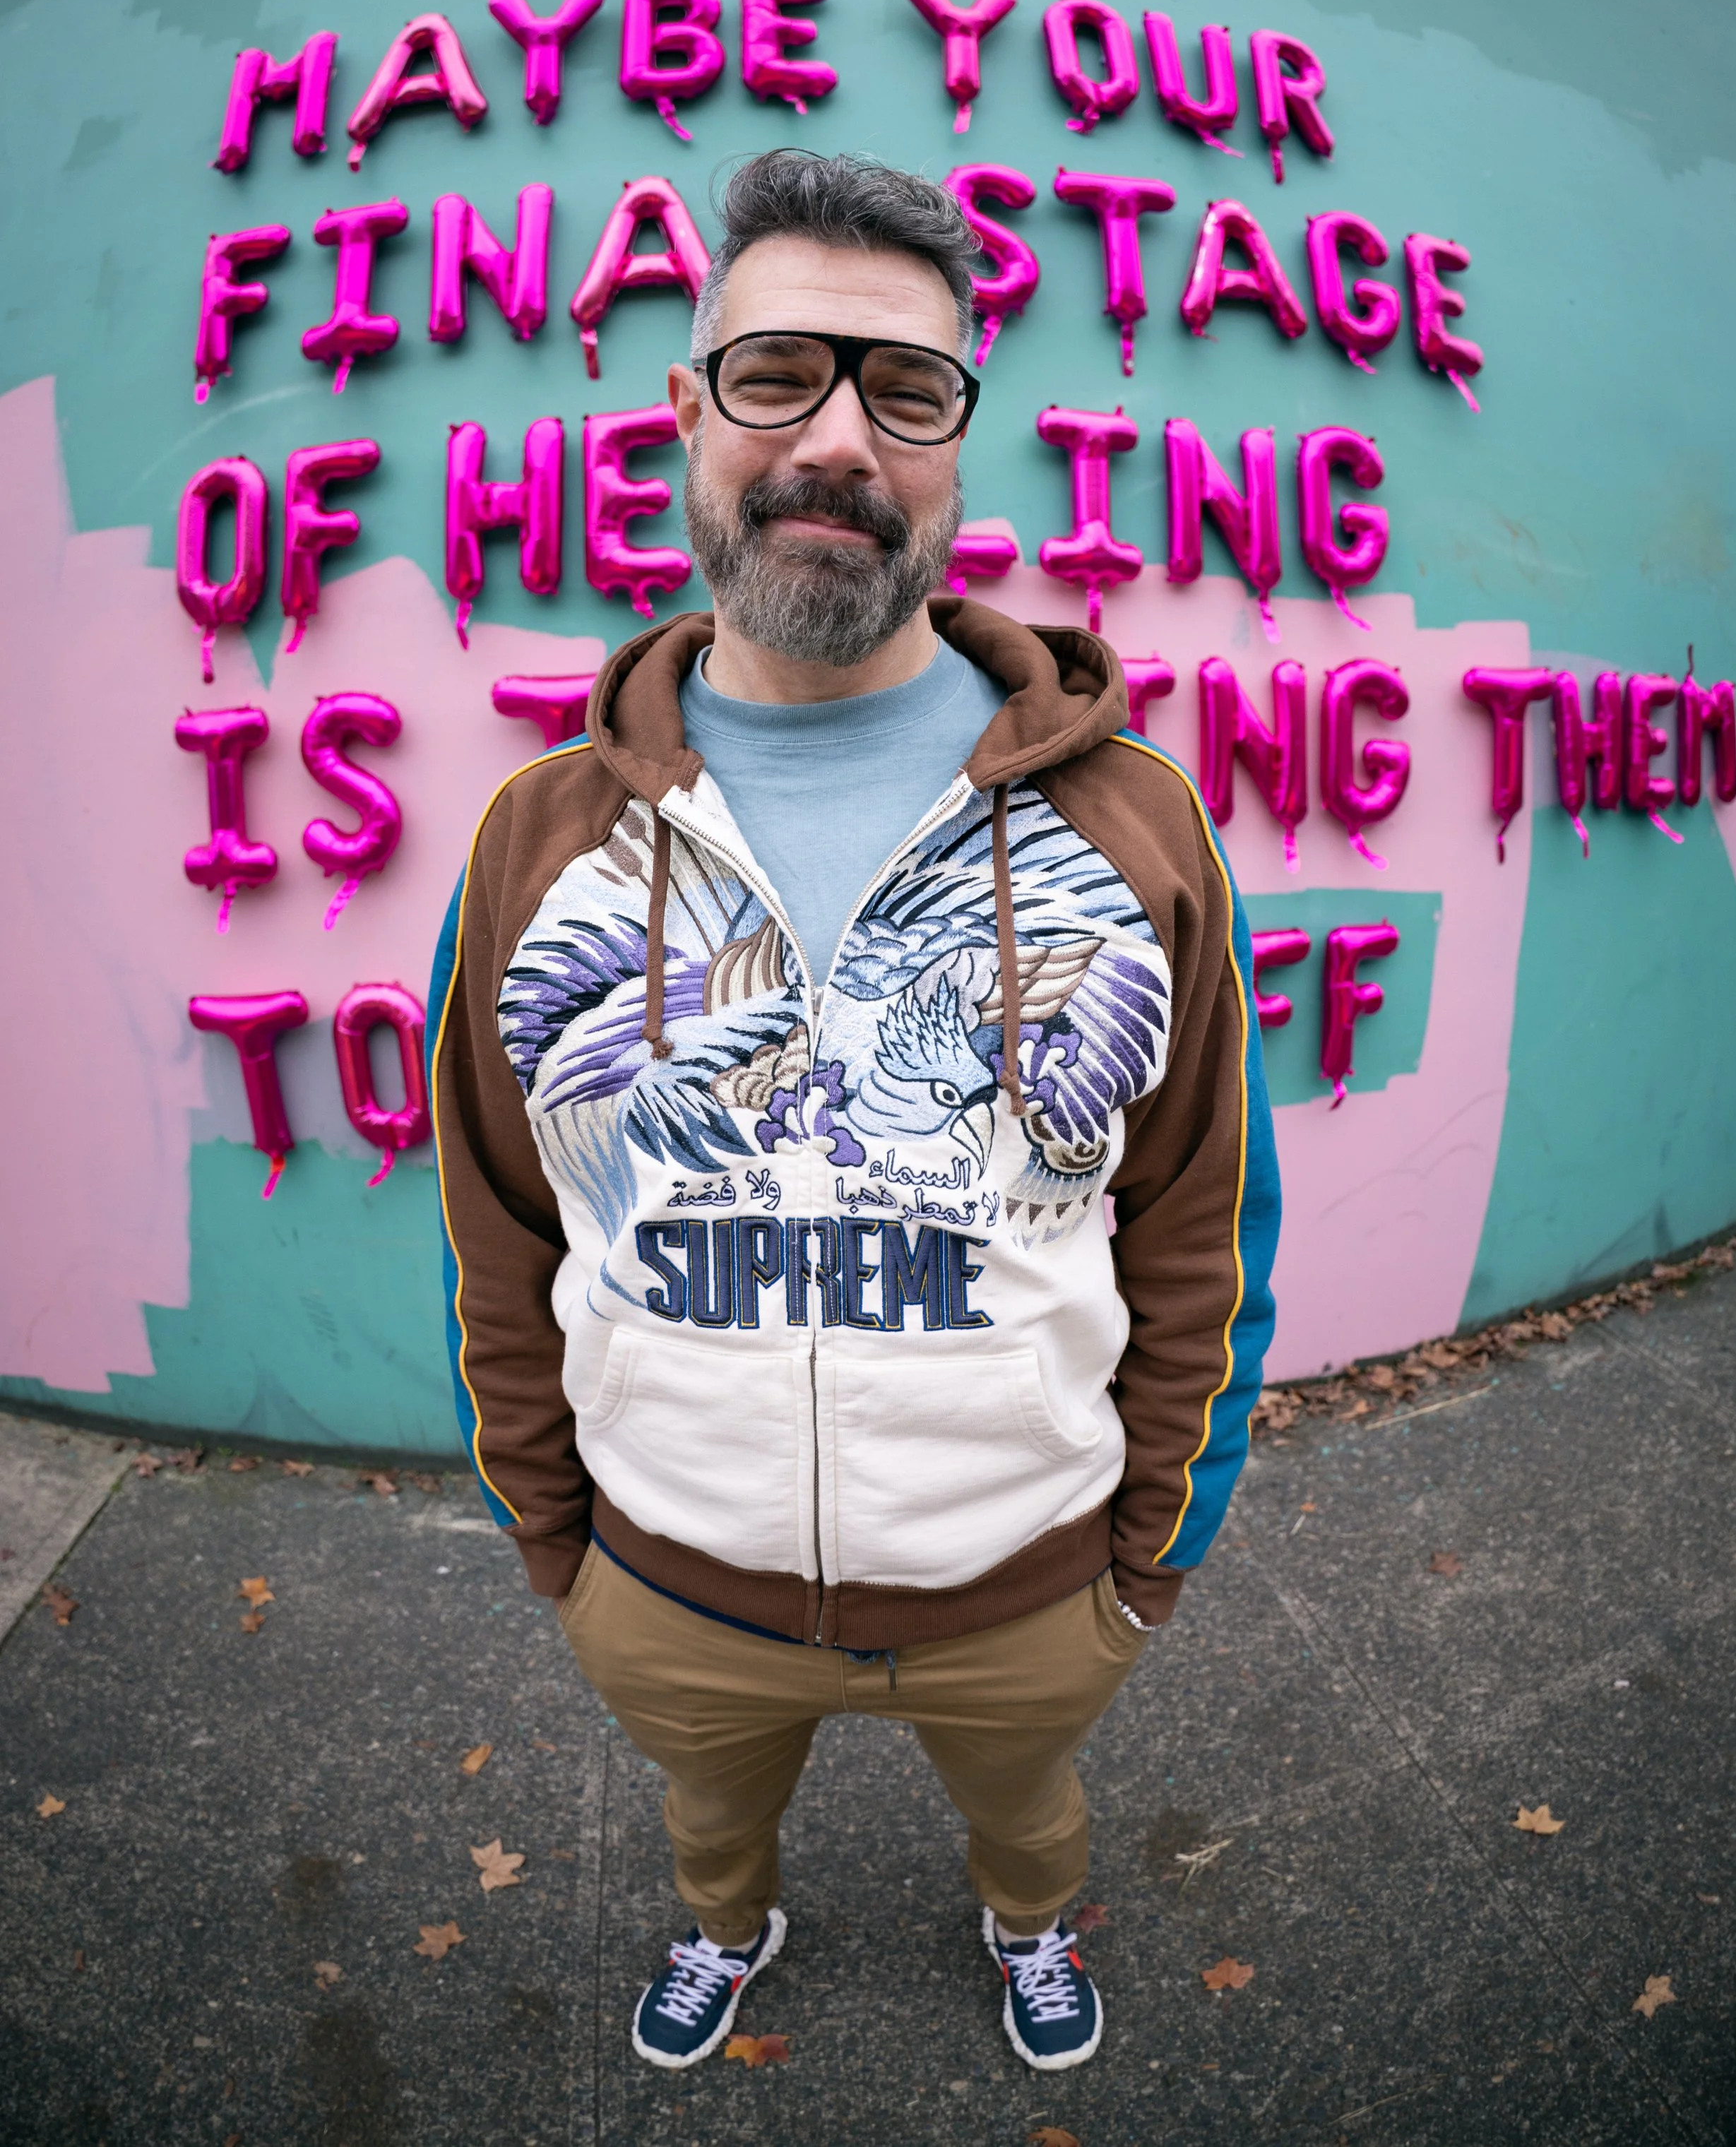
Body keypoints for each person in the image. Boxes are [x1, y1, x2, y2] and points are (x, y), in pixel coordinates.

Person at [429, 149, 1278, 2074]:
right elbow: (497, 1217)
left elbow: (1202, 1219)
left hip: (1033, 1584)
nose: (835, 439)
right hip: (665, 1583)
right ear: (685, 410)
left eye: (903, 389)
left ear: (961, 441)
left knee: (1029, 1809)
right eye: (775, 374)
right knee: (706, 1819)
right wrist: (557, 1545)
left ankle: (1028, 1918)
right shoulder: (535, 839)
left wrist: (1149, 1556)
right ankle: (726, 1925)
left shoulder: (1128, 822)